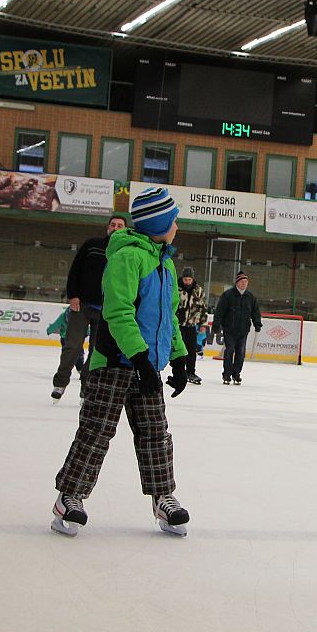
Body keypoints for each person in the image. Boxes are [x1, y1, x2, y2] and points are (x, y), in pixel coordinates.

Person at [50, 188, 191, 537]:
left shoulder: (165, 263)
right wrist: (140, 358)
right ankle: (69, 497)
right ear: (159, 224)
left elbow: (168, 317)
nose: (177, 226)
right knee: (96, 431)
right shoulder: (128, 257)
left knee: (155, 433)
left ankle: (163, 497)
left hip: (147, 366)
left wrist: (179, 357)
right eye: (173, 220)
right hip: (114, 362)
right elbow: (118, 312)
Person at [54, 215, 126, 400]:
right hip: (82, 306)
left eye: (120, 226)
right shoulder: (92, 245)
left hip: (106, 310)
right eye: (113, 225)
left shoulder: (126, 252)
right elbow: (75, 270)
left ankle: (87, 387)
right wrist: (73, 295)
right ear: (107, 227)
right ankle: (60, 382)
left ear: (125, 229)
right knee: (72, 346)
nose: (115, 228)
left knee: (97, 352)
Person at [214, 271, 262, 385]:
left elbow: (255, 312)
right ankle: (227, 374)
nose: (244, 284)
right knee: (229, 350)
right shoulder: (227, 295)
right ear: (237, 283)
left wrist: (257, 323)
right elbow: (220, 310)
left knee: (240, 352)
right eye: (242, 281)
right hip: (229, 329)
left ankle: (236, 374)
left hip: (243, 330)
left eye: (246, 282)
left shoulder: (250, 297)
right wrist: (216, 324)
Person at [176, 267, 209, 386]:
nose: (187, 282)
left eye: (189, 279)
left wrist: (203, 324)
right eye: (185, 279)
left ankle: (190, 372)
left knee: (191, 349)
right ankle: (178, 372)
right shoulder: (176, 289)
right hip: (178, 324)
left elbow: (203, 308)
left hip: (191, 325)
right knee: (179, 350)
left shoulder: (198, 290)